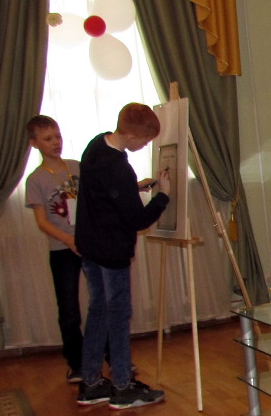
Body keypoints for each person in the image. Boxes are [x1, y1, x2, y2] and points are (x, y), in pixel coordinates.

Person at [75, 103, 171, 410]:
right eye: (144, 140)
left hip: (90, 246)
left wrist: (132, 188)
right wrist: (163, 196)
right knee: (117, 316)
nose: (144, 145)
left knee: (99, 311)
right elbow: (137, 221)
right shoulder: (118, 167)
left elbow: (105, 195)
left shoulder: (95, 146)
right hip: (111, 250)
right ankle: (122, 386)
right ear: (130, 134)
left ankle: (91, 383)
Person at [25, 115, 84, 383]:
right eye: (48, 139)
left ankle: (110, 355)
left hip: (89, 245)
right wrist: (68, 240)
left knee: (103, 302)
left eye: (57, 136)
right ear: (34, 143)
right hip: (62, 250)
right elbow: (42, 221)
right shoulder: (36, 179)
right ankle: (77, 363)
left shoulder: (76, 166)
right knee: (69, 309)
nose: (55, 142)